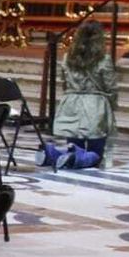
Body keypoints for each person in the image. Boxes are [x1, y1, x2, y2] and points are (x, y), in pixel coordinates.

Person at [47, 19, 117, 169]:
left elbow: (64, 81)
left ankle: (56, 154)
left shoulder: (67, 58)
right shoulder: (104, 60)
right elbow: (110, 87)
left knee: (74, 144)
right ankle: (75, 158)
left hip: (71, 101)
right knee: (96, 151)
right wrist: (111, 105)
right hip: (95, 104)